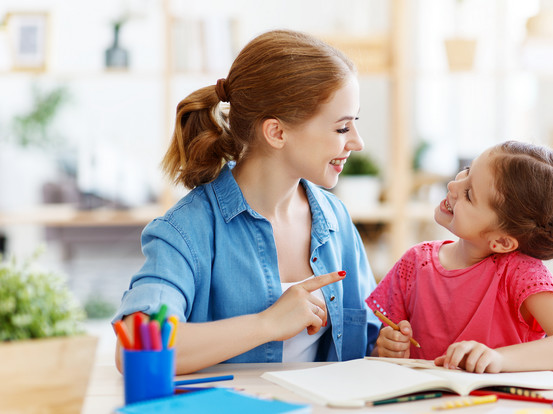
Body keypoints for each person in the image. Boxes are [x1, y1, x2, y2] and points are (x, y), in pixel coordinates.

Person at [113, 29, 380, 374]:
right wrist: (266, 324)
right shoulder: (187, 230)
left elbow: (372, 333)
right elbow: (135, 349)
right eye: (342, 128)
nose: (357, 142)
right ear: (277, 132)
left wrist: (386, 344)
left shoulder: (335, 219)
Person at [366, 140, 553, 373]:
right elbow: (377, 346)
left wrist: (498, 358)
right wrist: (386, 347)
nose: (453, 185)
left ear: (501, 241)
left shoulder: (520, 272)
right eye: (467, 171)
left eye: (469, 194)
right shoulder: (415, 262)